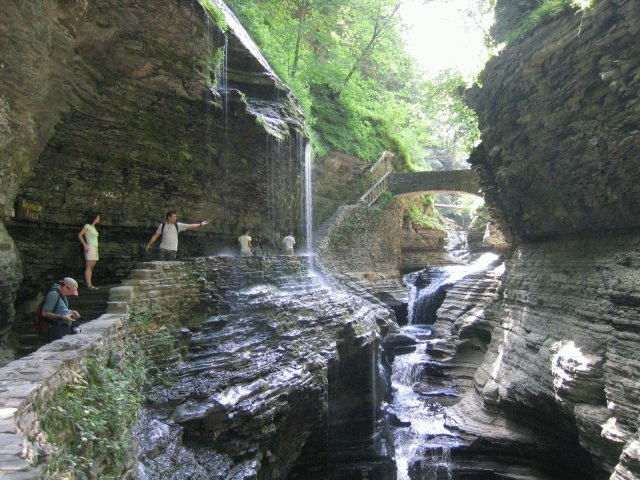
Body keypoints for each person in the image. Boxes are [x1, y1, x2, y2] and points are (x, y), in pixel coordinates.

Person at [41, 277, 81, 341]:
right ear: (65, 287)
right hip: (55, 328)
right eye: (70, 291)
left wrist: (71, 312)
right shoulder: (53, 294)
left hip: (63, 327)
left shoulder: (62, 294)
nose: (70, 294)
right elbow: (44, 313)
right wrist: (62, 316)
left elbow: (59, 309)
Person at [78, 212, 100, 290]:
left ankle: (89, 284)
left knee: (92, 266)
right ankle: (89, 285)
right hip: (90, 247)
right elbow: (80, 235)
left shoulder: (93, 227)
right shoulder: (87, 226)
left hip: (95, 248)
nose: (99, 219)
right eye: (98, 217)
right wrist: (85, 244)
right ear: (94, 218)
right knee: (89, 266)